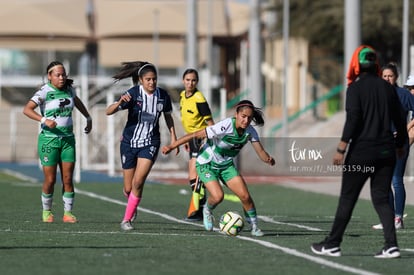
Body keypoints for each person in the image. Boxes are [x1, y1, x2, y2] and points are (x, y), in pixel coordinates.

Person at [310, 45, 408, 258]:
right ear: (376, 65)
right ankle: (391, 245)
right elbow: (400, 120)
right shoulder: (388, 88)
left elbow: (353, 120)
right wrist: (400, 144)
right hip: (386, 152)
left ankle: (333, 244)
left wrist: (341, 148)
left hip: (362, 152)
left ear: (356, 64)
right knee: (381, 198)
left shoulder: (355, 88)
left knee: (347, 198)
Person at [162, 100, 275, 237]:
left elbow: (261, 152)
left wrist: (268, 159)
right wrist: (172, 146)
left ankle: (255, 227)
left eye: (249, 118)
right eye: (243, 116)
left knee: (245, 196)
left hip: (226, 166)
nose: (246, 120)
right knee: (218, 196)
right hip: (206, 163)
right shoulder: (226, 125)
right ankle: (207, 210)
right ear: (237, 114)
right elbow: (196, 134)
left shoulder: (250, 132)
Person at [106, 61, 179, 231]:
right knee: (128, 187)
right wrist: (119, 103)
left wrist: (174, 138)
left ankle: (126, 220)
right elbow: (108, 112)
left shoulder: (163, 96)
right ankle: (132, 201)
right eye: (148, 79)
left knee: (138, 182)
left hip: (150, 143)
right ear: (140, 80)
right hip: (129, 143)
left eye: (154, 79)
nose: (152, 82)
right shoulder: (133, 94)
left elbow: (168, 116)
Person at [23, 60, 93, 223]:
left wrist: (88, 117)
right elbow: (27, 109)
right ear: (50, 76)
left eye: (63, 75)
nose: (61, 78)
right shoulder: (44, 91)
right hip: (49, 141)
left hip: (68, 140)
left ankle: (68, 213)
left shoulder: (70, 90)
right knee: (51, 179)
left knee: (68, 178)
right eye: (58, 75)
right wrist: (44, 120)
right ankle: (46, 211)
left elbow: (77, 102)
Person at [371, 63, 414, 230]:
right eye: (384, 76)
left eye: (390, 76)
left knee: (396, 180)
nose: (387, 79)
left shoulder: (403, 94)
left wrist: (404, 129)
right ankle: (388, 218)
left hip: (399, 144)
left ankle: (398, 219)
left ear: (396, 77)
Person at [179, 68, 214, 221]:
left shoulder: (199, 98)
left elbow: (211, 123)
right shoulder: (182, 96)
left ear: (197, 82)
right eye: (187, 80)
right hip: (191, 139)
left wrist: (209, 141)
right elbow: (187, 121)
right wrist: (186, 140)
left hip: (201, 139)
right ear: (183, 81)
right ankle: (201, 206)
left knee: (194, 173)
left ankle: (199, 209)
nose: (190, 83)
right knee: (194, 176)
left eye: (193, 80)